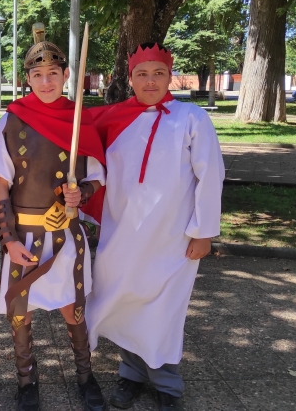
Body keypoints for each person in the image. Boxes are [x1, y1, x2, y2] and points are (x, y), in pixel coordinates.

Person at [83, 43, 225, 411]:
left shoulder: (191, 117)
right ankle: (131, 373)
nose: (150, 81)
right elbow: (81, 149)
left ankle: (167, 384)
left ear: (169, 76)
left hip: (173, 237)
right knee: (125, 300)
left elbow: (210, 175)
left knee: (165, 308)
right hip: (123, 233)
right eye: (142, 74)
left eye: (158, 74)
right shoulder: (111, 117)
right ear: (130, 78)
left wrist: (204, 231)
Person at [0, 23, 107, 411]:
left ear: (66, 75)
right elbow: (1, 189)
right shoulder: (9, 122)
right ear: (27, 78)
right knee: (19, 313)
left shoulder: (79, 119)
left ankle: (85, 376)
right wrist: (8, 240)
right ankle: (27, 382)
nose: (45, 82)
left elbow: (96, 174)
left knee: (72, 308)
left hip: (65, 234)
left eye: (53, 74)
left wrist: (83, 193)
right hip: (22, 236)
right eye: (37, 75)